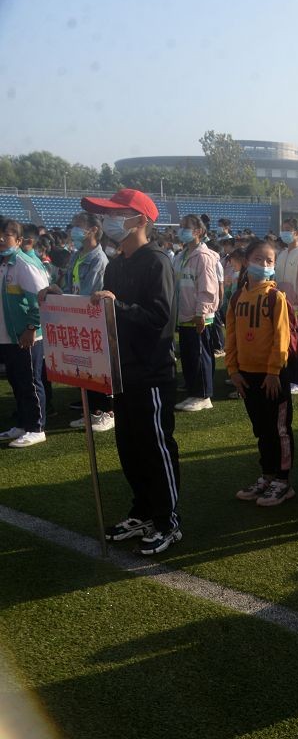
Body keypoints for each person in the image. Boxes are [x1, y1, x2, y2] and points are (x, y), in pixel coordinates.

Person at [80, 190, 182, 554]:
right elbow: (102, 312)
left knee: (156, 448)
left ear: (141, 219)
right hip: (121, 372)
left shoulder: (157, 262)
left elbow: (160, 320)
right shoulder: (115, 264)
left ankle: (168, 521)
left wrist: (118, 306)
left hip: (151, 373)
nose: (109, 221)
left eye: (117, 213)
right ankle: (143, 511)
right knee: (130, 447)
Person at [227, 239, 296, 507]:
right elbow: (230, 336)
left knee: (279, 429)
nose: (264, 265)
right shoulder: (237, 297)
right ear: (247, 261)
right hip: (246, 375)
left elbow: (281, 337)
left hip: (273, 377)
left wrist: (273, 371)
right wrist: (232, 370)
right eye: (259, 259)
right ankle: (267, 475)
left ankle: (283, 480)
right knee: (261, 429)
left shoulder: (275, 297)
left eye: (269, 261)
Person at [62, 212, 114, 431]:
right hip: (78, 319)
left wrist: (68, 303)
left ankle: (107, 412)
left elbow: (89, 294)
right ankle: (93, 411)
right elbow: (68, 286)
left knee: (100, 367)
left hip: (92, 320)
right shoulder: (77, 255)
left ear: (93, 230)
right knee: (85, 368)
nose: (73, 229)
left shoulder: (99, 259)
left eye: (78, 225)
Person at [0, 218, 49, 448]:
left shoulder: (23, 263)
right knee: (17, 381)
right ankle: (22, 423)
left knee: (30, 381)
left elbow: (41, 299)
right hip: (8, 336)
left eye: (6, 235)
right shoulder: (4, 263)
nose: (1, 239)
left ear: (18, 240)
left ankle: (36, 428)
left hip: (27, 335)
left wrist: (31, 328)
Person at [172, 214, 222, 412]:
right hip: (185, 315)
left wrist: (202, 312)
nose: (181, 230)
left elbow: (207, 288)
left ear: (199, 232)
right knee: (189, 356)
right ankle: (194, 392)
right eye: (181, 226)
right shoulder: (181, 256)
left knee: (200, 355)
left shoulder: (203, 257)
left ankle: (203, 395)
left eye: (186, 227)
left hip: (198, 315)